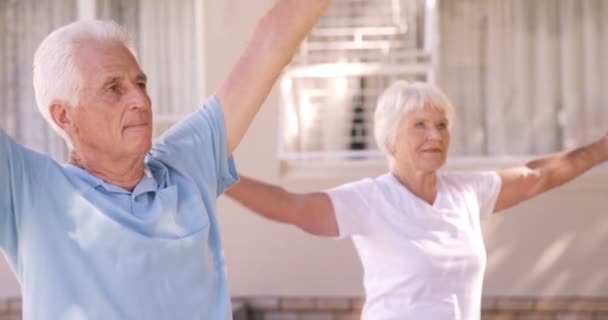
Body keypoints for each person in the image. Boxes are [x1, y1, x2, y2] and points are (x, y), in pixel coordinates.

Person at [0, 1, 330, 319]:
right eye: (114, 88)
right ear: (63, 116)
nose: (140, 100)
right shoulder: (29, 191)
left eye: (140, 83)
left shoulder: (185, 164)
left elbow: (273, 41)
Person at [225, 81, 608, 320]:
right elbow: (289, 206)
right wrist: (220, 177)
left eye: (442, 125)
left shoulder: (467, 193)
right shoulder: (370, 200)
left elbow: (539, 175)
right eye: (420, 125)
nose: (435, 135)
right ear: (391, 140)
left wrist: (603, 148)